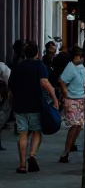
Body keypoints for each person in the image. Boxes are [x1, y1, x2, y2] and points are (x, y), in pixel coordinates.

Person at [10, 41, 59, 174]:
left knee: (22, 134)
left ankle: (21, 165)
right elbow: (45, 83)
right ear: (37, 53)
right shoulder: (39, 65)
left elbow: (11, 88)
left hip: (20, 105)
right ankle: (32, 155)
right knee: (37, 131)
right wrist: (55, 99)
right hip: (36, 104)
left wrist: (12, 104)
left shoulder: (17, 67)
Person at [58, 46, 85, 163]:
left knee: (79, 125)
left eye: (79, 57)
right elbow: (62, 80)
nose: (78, 59)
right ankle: (66, 152)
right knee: (74, 125)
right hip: (72, 99)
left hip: (80, 98)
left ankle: (71, 145)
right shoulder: (70, 68)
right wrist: (64, 90)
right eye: (76, 57)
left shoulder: (81, 67)